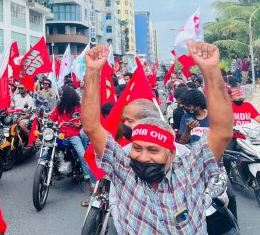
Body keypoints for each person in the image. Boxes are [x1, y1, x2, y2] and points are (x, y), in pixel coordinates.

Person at [81, 41, 232, 234]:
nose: (143, 157)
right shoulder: (124, 170)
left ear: (171, 154)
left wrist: (211, 71)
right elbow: (92, 127)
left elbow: (222, 131)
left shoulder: (190, 171)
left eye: (153, 150)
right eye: (137, 148)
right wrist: (93, 73)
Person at [109, 99, 190, 230]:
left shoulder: (183, 153)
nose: (124, 124)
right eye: (138, 149)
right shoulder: (124, 154)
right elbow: (115, 201)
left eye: (129, 120)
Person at [49, 86, 95, 203]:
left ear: (69, 95)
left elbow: (82, 120)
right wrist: (47, 119)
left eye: (64, 94)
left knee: (83, 155)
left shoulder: (77, 108)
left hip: (73, 135)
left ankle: (88, 178)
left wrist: (78, 124)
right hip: (60, 134)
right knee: (47, 148)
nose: (62, 95)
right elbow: (52, 117)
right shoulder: (59, 107)